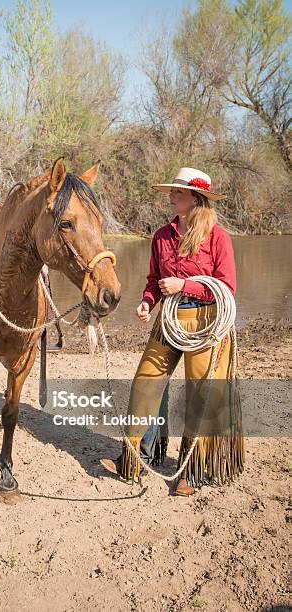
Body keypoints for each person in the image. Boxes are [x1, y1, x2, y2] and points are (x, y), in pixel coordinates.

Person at [101, 167, 244, 495]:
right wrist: (147, 302)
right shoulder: (162, 236)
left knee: (202, 393)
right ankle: (136, 457)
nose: (171, 196)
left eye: (177, 192)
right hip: (169, 318)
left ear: (195, 198)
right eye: (171, 191)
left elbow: (227, 287)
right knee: (146, 383)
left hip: (207, 321)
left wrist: (185, 284)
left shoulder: (217, 236)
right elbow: (154, 280)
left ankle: (190, 473)